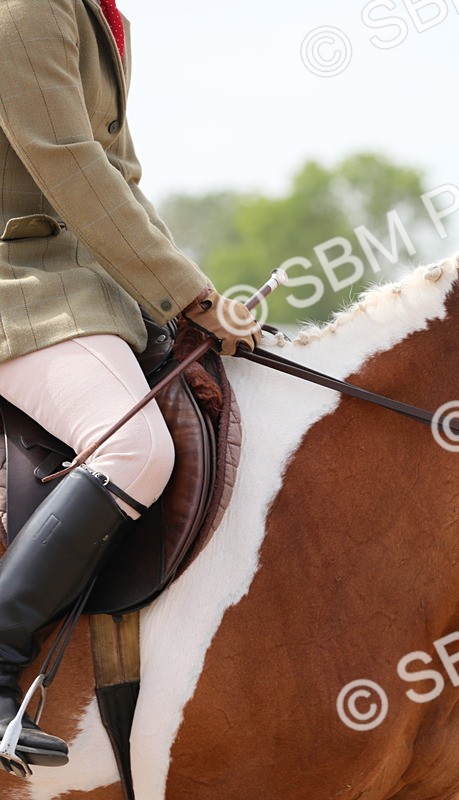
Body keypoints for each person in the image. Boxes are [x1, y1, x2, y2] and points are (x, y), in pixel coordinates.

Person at [0, 0, 260, 768]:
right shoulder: (26, 7)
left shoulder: (96, 11)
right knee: (134, 448)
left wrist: (186, 294)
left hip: (91, 287)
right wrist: (186, 295)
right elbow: (68, 164)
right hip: (21, 286)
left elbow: (120, 178)